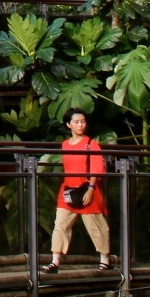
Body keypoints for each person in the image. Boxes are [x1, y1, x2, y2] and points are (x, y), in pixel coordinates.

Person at [43, 109, 110, 274]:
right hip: (69, 188)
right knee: (60, 224)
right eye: (76, 122)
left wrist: (91, 188)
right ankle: (55, 260)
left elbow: (97, 167)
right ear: (68, 125)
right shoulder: (65, 144)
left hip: (87, 189)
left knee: (96, 225)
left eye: (83, 121)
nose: (81, 125)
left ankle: (105, 259)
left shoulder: (91, 144)